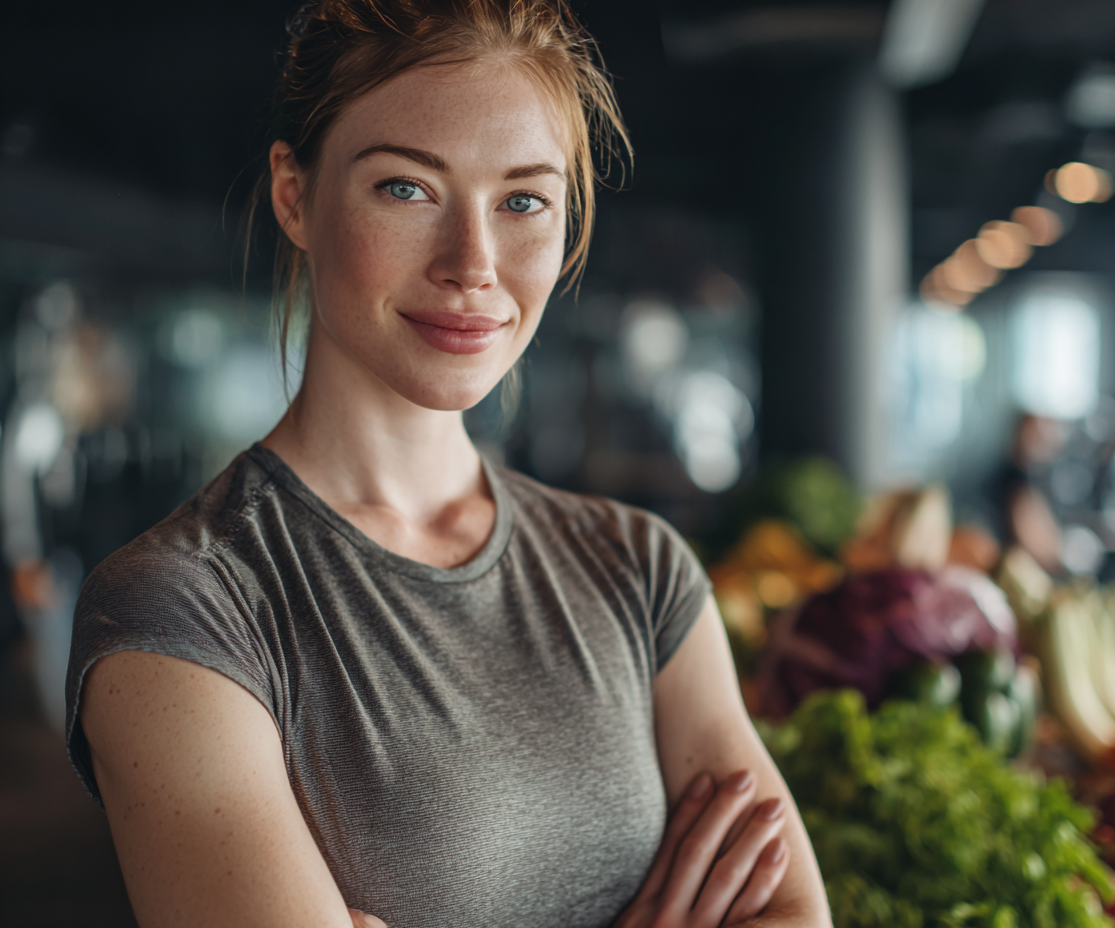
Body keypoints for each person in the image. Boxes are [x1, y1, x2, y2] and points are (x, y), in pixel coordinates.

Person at [65, 2, 830, 926]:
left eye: (522, 201)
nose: (474, 264)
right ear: (294, 194)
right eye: (406, 188)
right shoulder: (186, 606)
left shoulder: (638, 568)